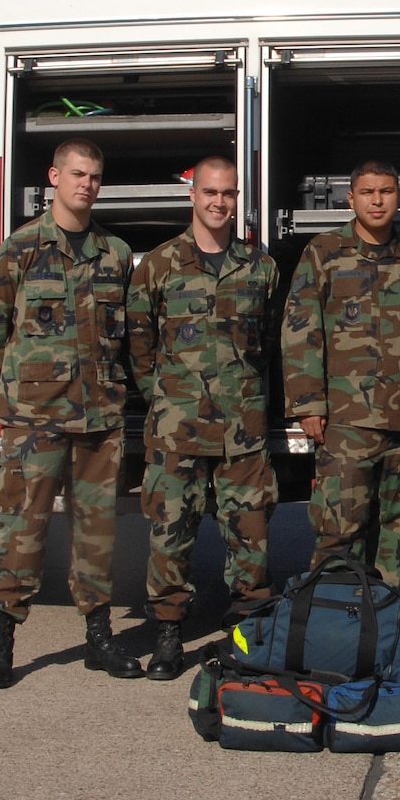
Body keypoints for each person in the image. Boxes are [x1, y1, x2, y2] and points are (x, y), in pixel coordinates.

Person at [0, 138, 143, 687]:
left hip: (99, 419)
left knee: (97, 534)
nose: (85, 184)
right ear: (53, 178)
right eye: (75, 174)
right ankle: (2, 643)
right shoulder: (19, 250)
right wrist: (23, 381)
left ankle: (98, 638)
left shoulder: (114, 252)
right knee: (22, 530)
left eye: (93, 176)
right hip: (34, 420)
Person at [126, 155, 279, 682]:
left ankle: (249, 636)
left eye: (229, 194)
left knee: (251, 537)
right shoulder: (160, 264)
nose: (220, 203)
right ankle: (168, 636)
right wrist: (166, 396)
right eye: (211, 192)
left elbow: (273, 342)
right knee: (171, 535)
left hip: (243, 430)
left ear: (239, 199)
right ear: (193, 196)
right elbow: (138, 341)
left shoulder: (260, 267)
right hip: (178, 429)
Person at [281, 161, 400, 587]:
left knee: (399, 532)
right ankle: (333, 624)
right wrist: (309, 404)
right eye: (368, 192)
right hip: (347, 423)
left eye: (386, 191)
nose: (378, 200)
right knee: (338, 530)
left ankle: (384, 621)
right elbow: (300, 329)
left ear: (397, 196)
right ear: (351, 199)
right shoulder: (324, 252)